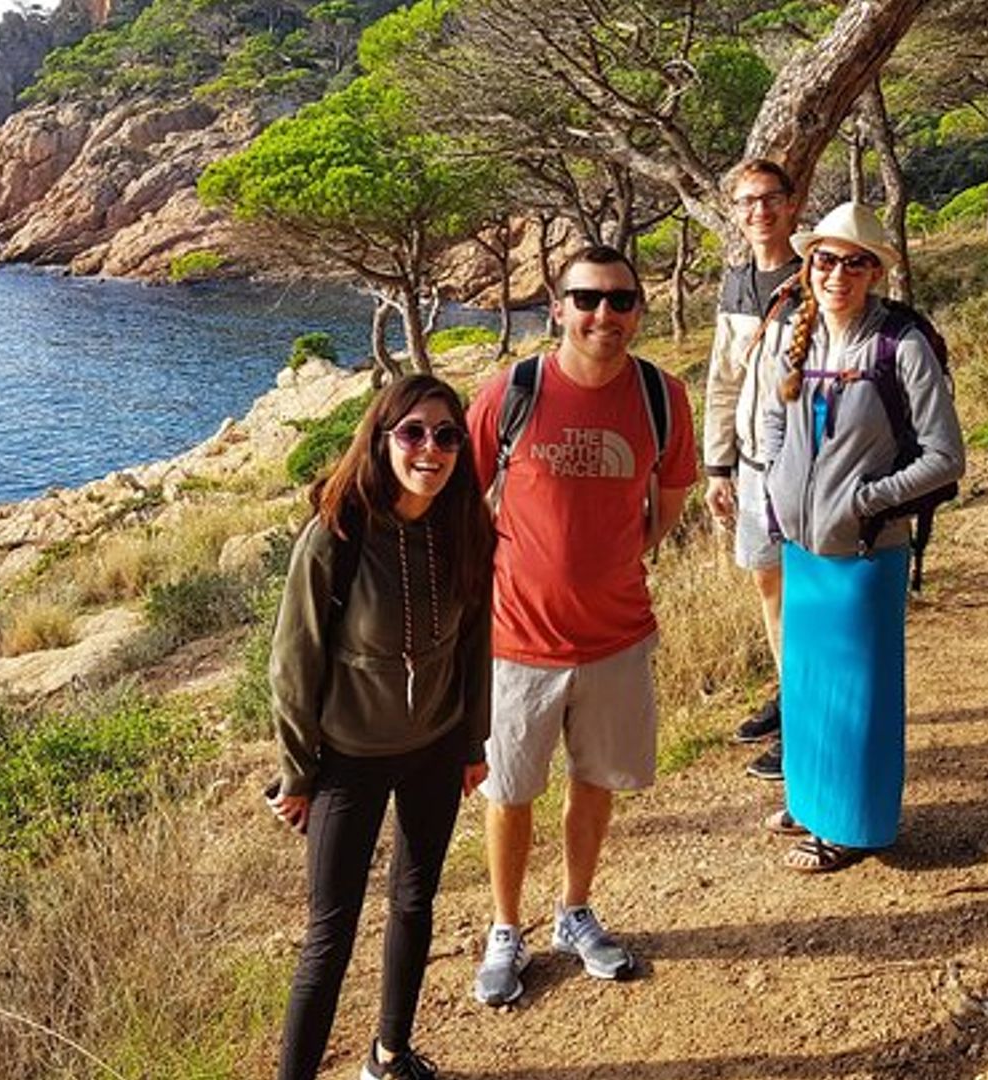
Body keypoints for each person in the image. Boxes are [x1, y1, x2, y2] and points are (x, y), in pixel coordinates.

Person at [465, 245, 698, 1005]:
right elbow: (464, 499)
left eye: (621, 300)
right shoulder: (513, 392)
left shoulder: (662, 397)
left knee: (595, 782)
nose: (605, 314)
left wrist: (610, 560)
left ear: (638, 311)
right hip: (516, 642)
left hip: (616, 637)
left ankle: (574, 911)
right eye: (588, 298)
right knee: (510, 791)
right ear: (558, 306)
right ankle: (506, 928)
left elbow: (667, 504)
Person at [266, 375, 495, 1080]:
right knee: (328, 937)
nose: (431, 449)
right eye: (413, 432)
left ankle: (390, 1056)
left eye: (447, 435)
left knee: (415, 901)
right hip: (349, 758)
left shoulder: (465, 529)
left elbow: (474, 646)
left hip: (436, 749)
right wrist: (298, 774)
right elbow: (293, 665)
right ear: (381, 438)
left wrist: (474, 742)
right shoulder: (336, 536)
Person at [757, 202, 964, 873]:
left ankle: (852, 825)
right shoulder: (797, 334)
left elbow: (945, 456)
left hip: (868, 550)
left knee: (858, 693)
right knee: (807, 683)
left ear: (875, 272)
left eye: (855, 263)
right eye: (825, 260)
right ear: (809, 264)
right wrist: (779, 489)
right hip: (803, 546)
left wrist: (865, 501)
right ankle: (808, 801)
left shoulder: (899, 345)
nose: (837, 275)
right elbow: (774, 423)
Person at [701, 158, 803, 784]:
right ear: (735, 214)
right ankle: (791, 693)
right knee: (770, 586)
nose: (759, 211)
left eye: (769, 199)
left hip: (807, 468)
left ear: (792, 204)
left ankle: (805, 719)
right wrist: (718, 466)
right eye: (746, 202)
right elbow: (723, 381)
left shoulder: (819, 271)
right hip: (753, 465)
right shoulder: (737, 284)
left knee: (805, 590)